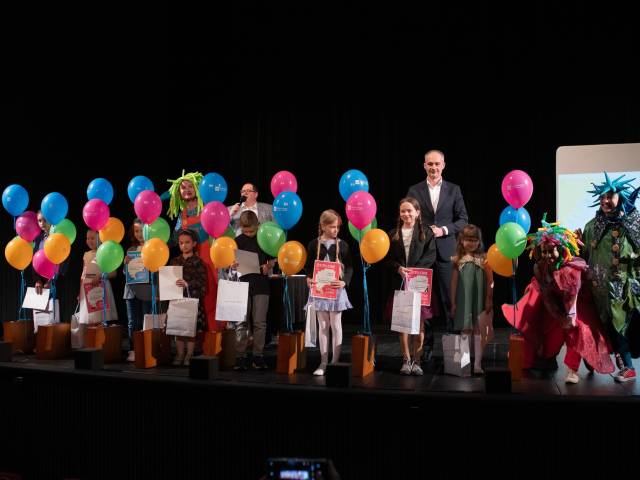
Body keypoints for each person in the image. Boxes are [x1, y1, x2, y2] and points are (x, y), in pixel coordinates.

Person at [504, 215, 614, 383]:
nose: (548, 255)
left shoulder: (570, 269)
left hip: (577, 303)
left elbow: (572, 298)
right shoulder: (539, 267)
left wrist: (569, 318)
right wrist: (558, 316)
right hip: (556, 301)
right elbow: (547, 295)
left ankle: (572, 370)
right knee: (549, 330)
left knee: (577, 330)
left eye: (552, 251)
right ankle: (543, 359)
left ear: (561, 250)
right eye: (545, 251)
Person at [581, 173, 640, 382]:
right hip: (598, 288)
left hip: (625, 288)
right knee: (598, 326)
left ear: (620, 198)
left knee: (621, 327)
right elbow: (584, 257)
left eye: (610, 197)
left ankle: (628, 367)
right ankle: (593, 357)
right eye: (603, 197)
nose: (605, 201)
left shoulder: (633, 224)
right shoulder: (591, 227)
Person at [407, 149, 468, 344]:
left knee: (450, 299)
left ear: (443, 165)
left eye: (437, 164)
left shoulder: (454, 190)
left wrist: (443, 230)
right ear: (424, 165)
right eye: (430, 164)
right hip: (421, 252)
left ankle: (454, 344)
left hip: (446, 252)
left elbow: (463, 220)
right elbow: (409, 218)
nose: (433, 167)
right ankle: (426, 347)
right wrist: (426, 231)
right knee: (423, 301)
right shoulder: (414, 190)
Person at [384, 197, 437, 375]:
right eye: (403, 211)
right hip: (400, 284)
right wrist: (398, 268)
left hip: (419, 284)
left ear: (417, 212)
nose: (406, 214)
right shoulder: (393, 234)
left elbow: (431, 256)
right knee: (403, 324)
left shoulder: (427, 233)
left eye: (409, 211)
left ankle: (417, 360)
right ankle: (406, 360)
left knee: (420, 325)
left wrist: (415, 271)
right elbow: (387, 259)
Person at [166, 171, 220, 332]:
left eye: (190, 186)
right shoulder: (182, 214)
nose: (187, 190)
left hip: (208, 255)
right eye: (183, 188)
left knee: (211, 293)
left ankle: (214, 332)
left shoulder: (206, 208)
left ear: (198, 188)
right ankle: (196, 334)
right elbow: (175, 239)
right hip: (190, 261)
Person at [305, 209, 353, 376]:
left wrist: (344, 282)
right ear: (323, 226)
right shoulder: (314, 244)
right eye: (332, 227)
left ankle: (334, 362)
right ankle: (324, 362)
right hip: (320, 290)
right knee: (323, 326)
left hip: (336, 290)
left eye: (338, 227)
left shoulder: (343, 245)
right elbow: (309, 266)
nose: (336, 230)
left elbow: (350, 267)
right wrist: (308, 278)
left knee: (336, 325)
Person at [228, 211, 275, 370]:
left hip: (261, 284)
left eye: (251, 231)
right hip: (242, 284)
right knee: (241, 322)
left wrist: (268, 265)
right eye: (245, 231)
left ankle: (258, 355)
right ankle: (240, 356)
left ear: (258, 226)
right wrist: (232, 265)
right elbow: (231, 263)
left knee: (259, 322)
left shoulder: (263, 238)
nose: (248, 234)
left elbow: (273, 258)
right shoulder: (238, 241)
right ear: (241, 228)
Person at [450, 224, 494, 375]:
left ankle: (477, 364)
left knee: (478, 330)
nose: (471, 243)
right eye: (468, 240)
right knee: (465, 329)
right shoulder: (458, 260)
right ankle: (465, 364)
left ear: (479, 241)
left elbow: (490, 281)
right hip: (464, 300)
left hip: (480, 299)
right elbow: (454, 283)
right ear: (462, 241)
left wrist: (489, 299)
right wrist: (453, 302)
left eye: (475, 240)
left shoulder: (485, 259)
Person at [169, 229, 208, 366]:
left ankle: (189, 354)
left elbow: (202, 283)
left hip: (192, 301)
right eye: (181, 243)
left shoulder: (198, 262)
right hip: (177, 300)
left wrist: (188, 284)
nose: (184, 245)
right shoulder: (175, 261)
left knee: (190, 329)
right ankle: (180, 354)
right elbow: (169, 279)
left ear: (194, 243)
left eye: (187, 242)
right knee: (178, 329)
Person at [123, 218, 152, 362]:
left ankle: (146, 350)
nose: (139, 234)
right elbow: (125, 273)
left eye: (142, 231)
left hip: (146, 291)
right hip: (131, 291)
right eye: (136, 231)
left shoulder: (152, 248)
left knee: (146, 321)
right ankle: (133, 350)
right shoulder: (131, 250)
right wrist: (126, 264)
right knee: (132, 322)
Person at [77, 229, 118, 325]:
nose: (89, 241)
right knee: (90, 319)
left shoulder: (105, 253)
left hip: (100, 286)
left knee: (100, 317)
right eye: (87, 238)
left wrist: (100, 276)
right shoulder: (86, 254)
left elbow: (113, 273)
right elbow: (83, 274)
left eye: (92, 238)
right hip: (87, 288)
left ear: (100, 238)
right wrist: (80, 292)